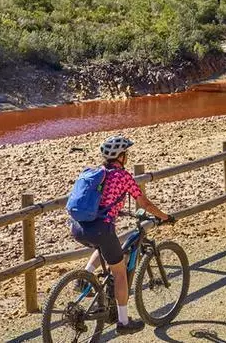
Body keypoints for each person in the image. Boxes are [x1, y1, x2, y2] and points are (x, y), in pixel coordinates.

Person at [70, 135, 173, 335]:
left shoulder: (97, 173)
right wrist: (165, 216)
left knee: (105, 245)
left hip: (80, 227)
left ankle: (84, 278)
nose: (127, 156)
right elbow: (145, 203)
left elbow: (101, 201)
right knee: (120, 273)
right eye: (126, 153)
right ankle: (123, 322)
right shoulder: (123, 176)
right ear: (121, 156)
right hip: (101, 229)